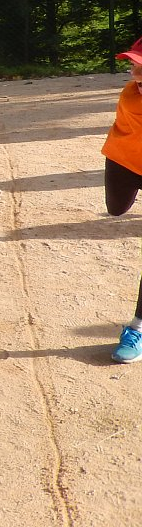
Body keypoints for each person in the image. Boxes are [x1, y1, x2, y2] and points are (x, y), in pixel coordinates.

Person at [101, 36, 142, 363]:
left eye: (139, 65)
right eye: (133, 63)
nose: (133, 71)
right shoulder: (131, 94)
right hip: (125, 158)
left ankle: (137, 328)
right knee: (115, 209)